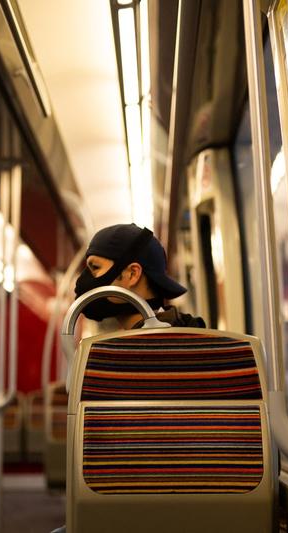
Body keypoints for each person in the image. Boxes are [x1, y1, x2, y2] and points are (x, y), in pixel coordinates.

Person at [50, 225, 204, 533]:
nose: (85, 282)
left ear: (131, 273)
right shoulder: (195, 342)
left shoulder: (117, 358)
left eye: (95, 268)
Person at [73, 223, 205, 328]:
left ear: (132, 274)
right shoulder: (189, 336)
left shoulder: (121, 354)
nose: (84, 279)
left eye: (95, 267)